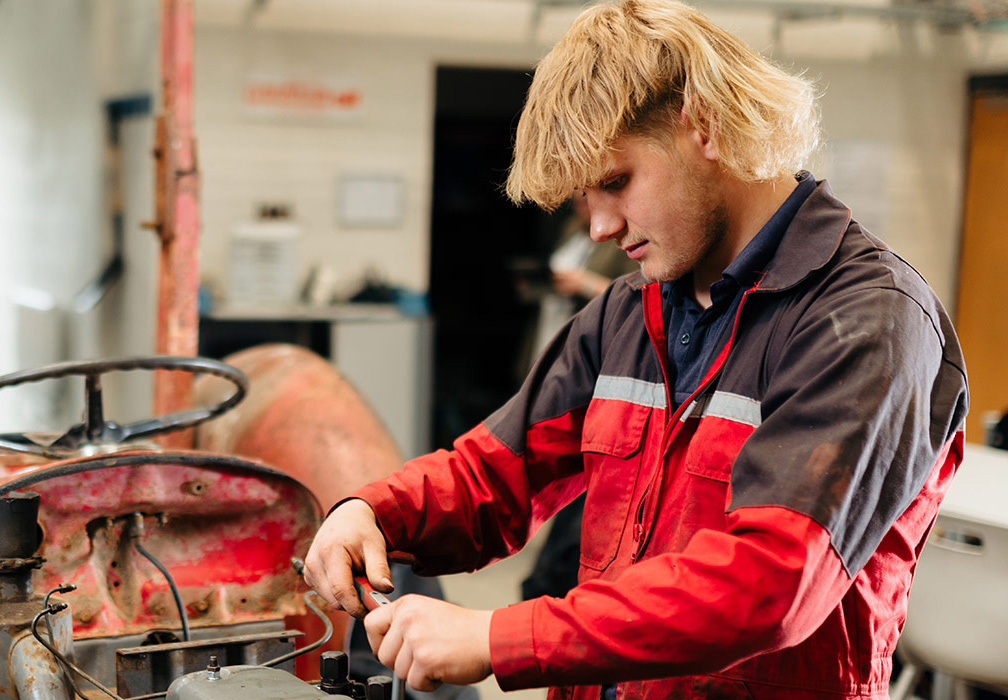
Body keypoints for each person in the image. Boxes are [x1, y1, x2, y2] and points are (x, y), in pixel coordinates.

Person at [303, 1, 969, 698]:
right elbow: (496, 473)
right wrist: (374, 512)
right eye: (584, 198)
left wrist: (500, 637)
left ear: (704, 125)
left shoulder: (866, 320)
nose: (598, 227)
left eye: (615, 182)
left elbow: (772, 583)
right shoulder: (628, 313)